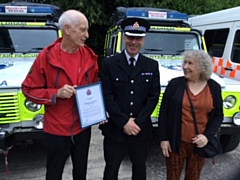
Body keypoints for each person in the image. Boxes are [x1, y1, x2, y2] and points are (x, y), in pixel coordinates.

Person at [21, 10, 98, 180]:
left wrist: (99, 110)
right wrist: (56, 94)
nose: (87, 35)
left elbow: (93, 89)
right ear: (68, 29)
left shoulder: (89, 57)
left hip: (82, 128)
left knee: (80, 173)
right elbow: (28, 90)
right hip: (56, 130)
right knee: (54, 174)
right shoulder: (46, 57)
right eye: (83, 30)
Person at [99, 17, 160, 180]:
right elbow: (107, 95)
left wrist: (137, 123)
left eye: (138, 38)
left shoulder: (151, 66)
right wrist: (124, 122)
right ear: (124, 37)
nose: (134, 42)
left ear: (144, 39)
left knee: (139, 169)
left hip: (140, 130)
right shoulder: (109, 64)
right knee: (111, 169)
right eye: (130, 37)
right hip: (115, 129)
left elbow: (153, 97)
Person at [158, 50, 223, 180]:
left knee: (193, 176)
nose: (185, 66)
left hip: (199, 144)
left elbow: (218, 116)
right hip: (176, 141)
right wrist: (163, 138)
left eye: (190, 64)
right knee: (172, 176)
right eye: (185, 63)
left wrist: (207, 137)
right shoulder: (175, 84)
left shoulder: (213, 87)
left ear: (201, 67)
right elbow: (163, 112)